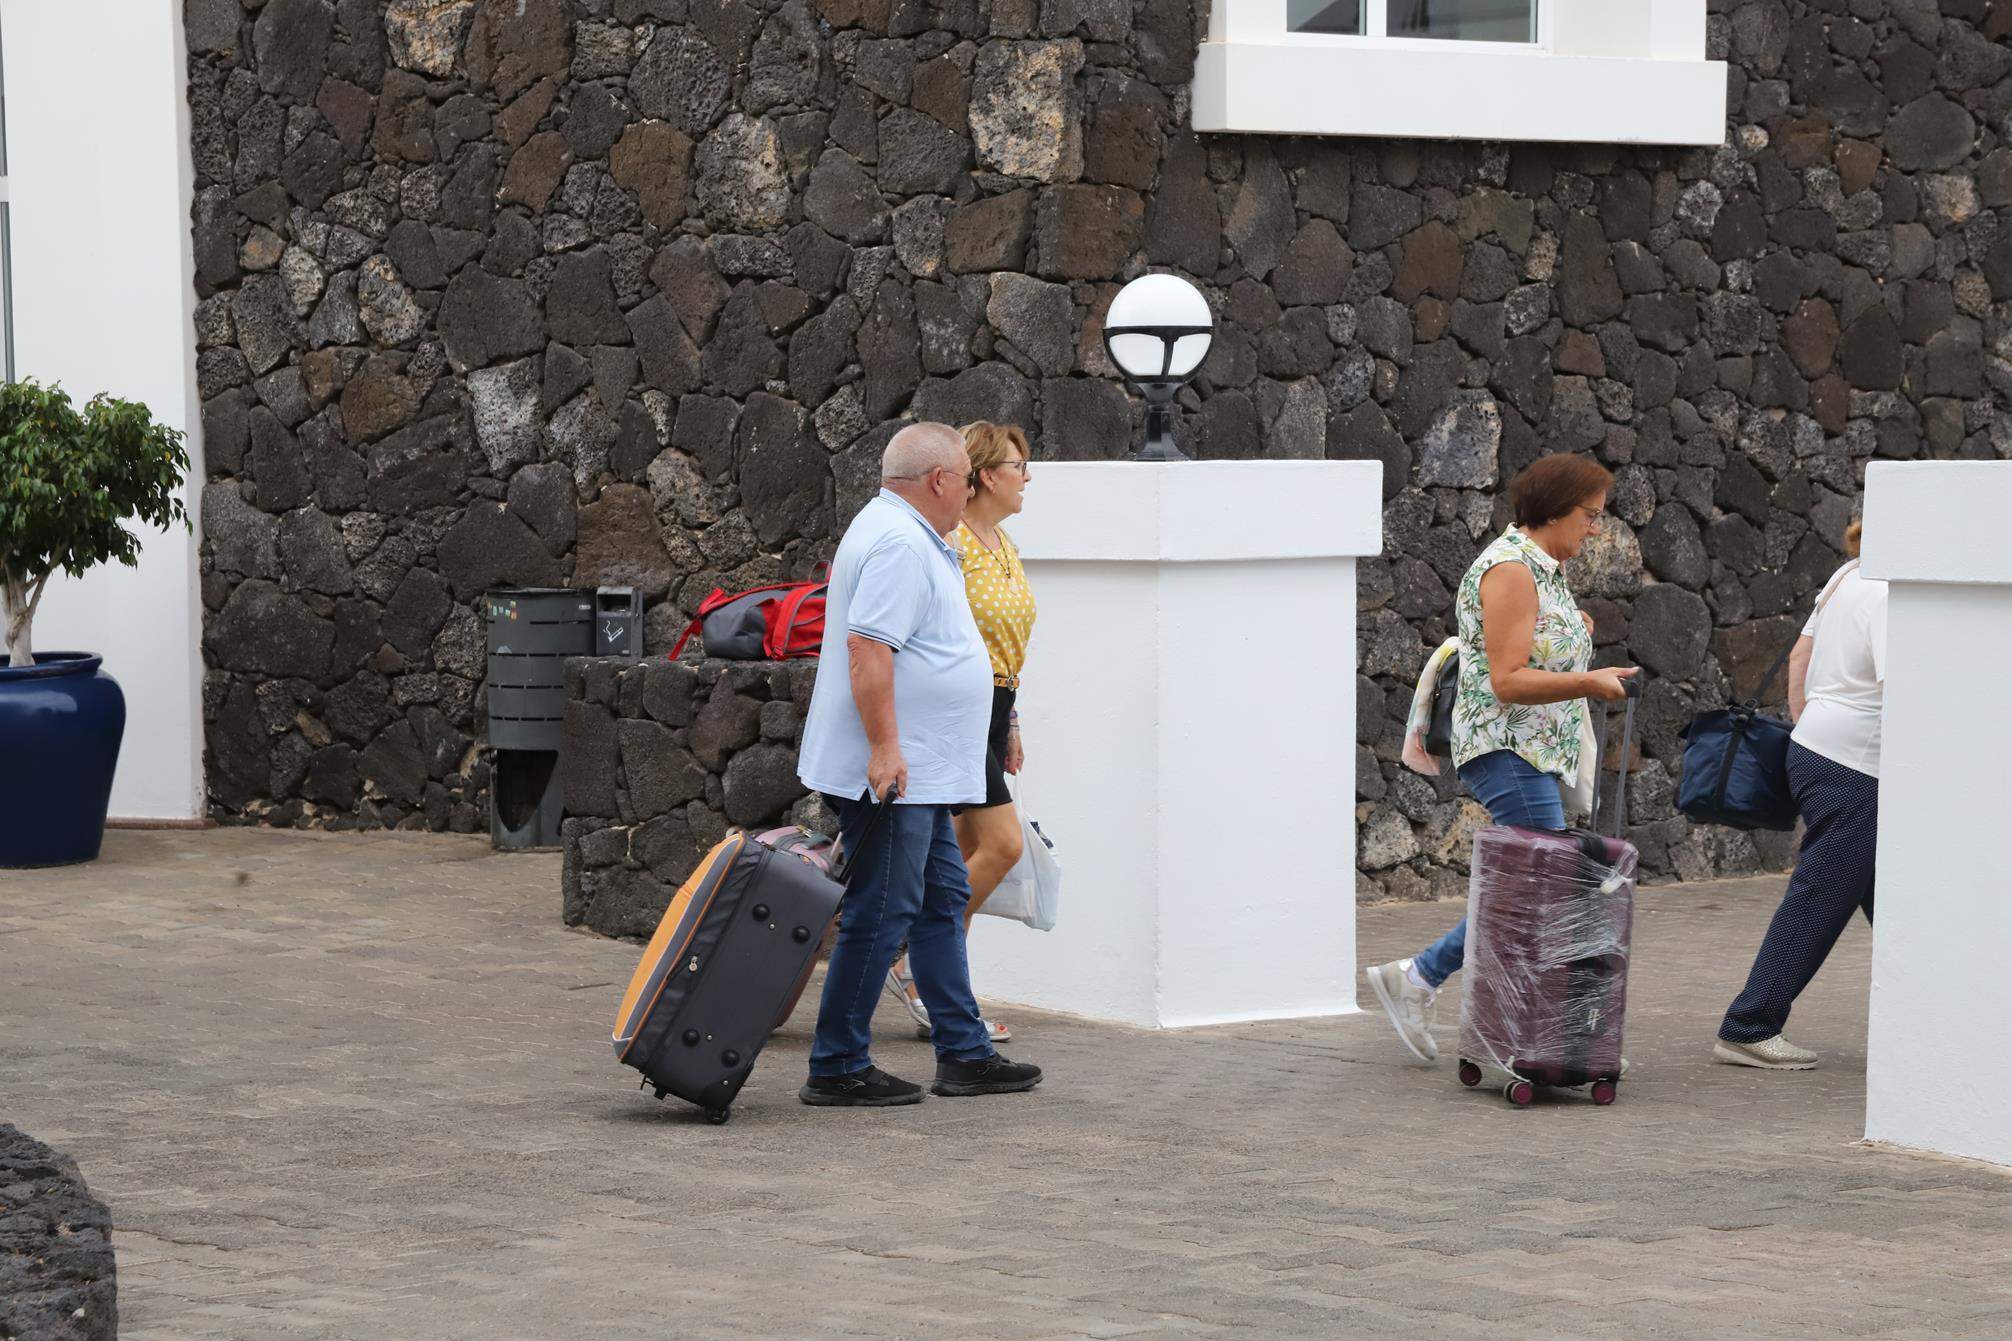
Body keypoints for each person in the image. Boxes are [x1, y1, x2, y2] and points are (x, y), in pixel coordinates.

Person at [794, 422, 1043, 1107]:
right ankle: (838, 1062)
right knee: (884, 909)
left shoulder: (905, 531)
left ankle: (962, 1051)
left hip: (921, 769)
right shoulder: (902, 541)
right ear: (939, 480)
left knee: (940, 900)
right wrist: (885, 749)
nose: (969, 490)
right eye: (965, 477)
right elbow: (869, 649)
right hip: (898, 772)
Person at [1366, 454, 1639, 1062]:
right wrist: (1590, 683)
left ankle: (1438, 988)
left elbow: (1532, 649)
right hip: (1508, 749)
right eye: (1589, 516)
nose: (1594, 528)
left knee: (1530, 889)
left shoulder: (1538, 568)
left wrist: (1576, 644)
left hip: (1529, 750)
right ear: (1555, 508)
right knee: (1541, 888)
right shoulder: (1513, 569)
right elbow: (1507, 682)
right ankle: (1438, 989)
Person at [883, 423, 1037, 1047]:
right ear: (983, 476)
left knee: (952, 868)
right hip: (959, 716)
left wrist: (1014, 720)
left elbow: (1008, 644)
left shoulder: (1001, 542)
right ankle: (915, 964)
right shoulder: (953, 546)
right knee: (1002, 848)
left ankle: (944, 999)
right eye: (1018, 466)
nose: (1027, 477)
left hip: (995, 708)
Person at [1715, 520, 1882, 1070]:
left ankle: (1950, 1017)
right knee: (1821, 898)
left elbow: (1798, 661)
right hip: (1857, 765)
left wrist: (1811, 725)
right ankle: (1749, 1025)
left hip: (1817, 747)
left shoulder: (1846, 576)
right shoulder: (1888, 591)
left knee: (1898, 902)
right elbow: (1908, 683)